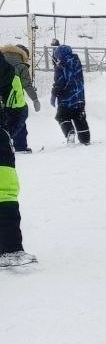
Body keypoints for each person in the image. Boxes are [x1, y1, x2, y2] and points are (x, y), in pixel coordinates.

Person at [0, 55, 37, 268]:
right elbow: (18, 105)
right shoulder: (5, 67)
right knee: (3, 190)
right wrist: (6, 131)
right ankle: (10, 249)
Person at [0, 44, 40, 153]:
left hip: (2, 100)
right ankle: (19, 147)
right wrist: (35, 100)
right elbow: (27, 85)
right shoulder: (21, 66)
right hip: (15, 101)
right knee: (20, 122)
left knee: (4, 122)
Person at [50, 43, 91, 145]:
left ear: (60, 55)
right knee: (79, 118)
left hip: (66, 99)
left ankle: (70, 132)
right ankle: (85, 139)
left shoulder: (60, 66)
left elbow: (59, 83)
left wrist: (54, 94)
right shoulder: (77, 63)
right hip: (80, 97)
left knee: (61, 117)